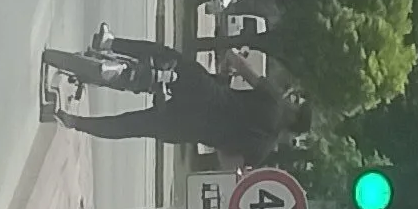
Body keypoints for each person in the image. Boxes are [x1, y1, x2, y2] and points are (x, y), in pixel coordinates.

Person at [39, 32, 307, 160]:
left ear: (295, 110)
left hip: (204, 91)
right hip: (190, 127)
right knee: (132, 126)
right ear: (292, 132)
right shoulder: (261, 149)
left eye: (296, 102)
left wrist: (230, 60)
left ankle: (110, 43)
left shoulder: (274, 99)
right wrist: (220, 139)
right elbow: (226, 160)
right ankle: (72, 120)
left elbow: (244, 68)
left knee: (163, 55)